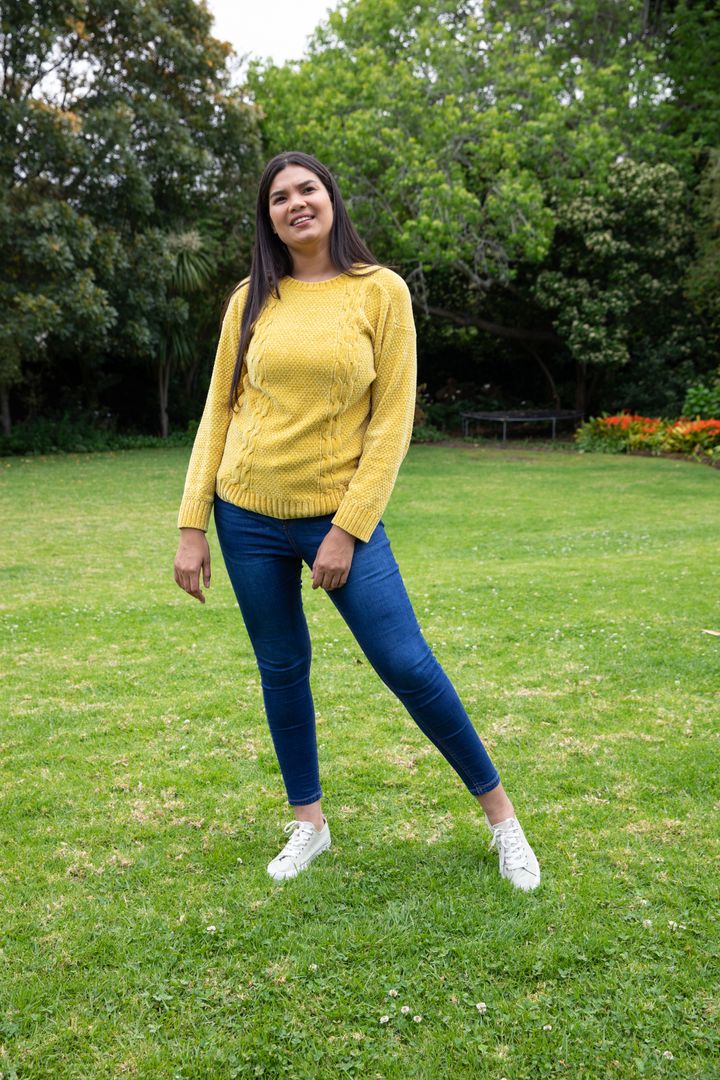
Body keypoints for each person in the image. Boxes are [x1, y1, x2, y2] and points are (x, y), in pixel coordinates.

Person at [173, 151, 540, 891]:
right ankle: (308, 824)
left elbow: (391, 420)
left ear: (331, 200)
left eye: (307, 189)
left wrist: (346, 529)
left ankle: (504, 820)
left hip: (338, 518)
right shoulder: (250, 300)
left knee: (407, 663)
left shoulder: (381, 293)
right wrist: (192, 523)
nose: (295, 203)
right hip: (246, 516)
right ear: (268, 218)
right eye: (280, 197)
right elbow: (219, 410)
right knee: (282, 670)